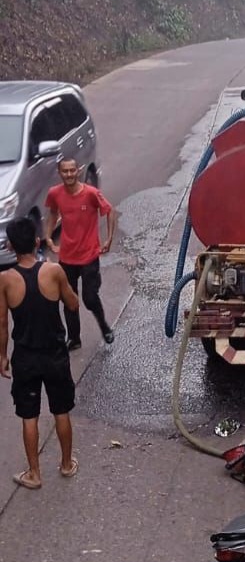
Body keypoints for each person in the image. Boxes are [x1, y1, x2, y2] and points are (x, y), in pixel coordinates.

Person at [0, 217, 80, 489]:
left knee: (29, 415)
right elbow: (72, 303)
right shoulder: (53, 270)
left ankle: (34, 474)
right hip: (55, 355)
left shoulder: (5, 279)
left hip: (25, 358)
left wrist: (2, 356)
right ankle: (67, 464)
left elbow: (2, 323)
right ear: (36, 242)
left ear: (10, 245)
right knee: (61, 411)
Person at [44, 158, 117, 349]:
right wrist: (48, 237)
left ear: (79, 171)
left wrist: (108, 239)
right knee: (69, 299)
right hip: (67, 257)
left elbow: (109, 211)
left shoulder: (91, 193)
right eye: (65, 171)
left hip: (89, 256)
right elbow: (53, 213)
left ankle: (105, 327)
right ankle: (74, 338)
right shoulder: (55, 193)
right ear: (60, 173)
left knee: (90, 298)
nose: (69, 174)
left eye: (72, 170)